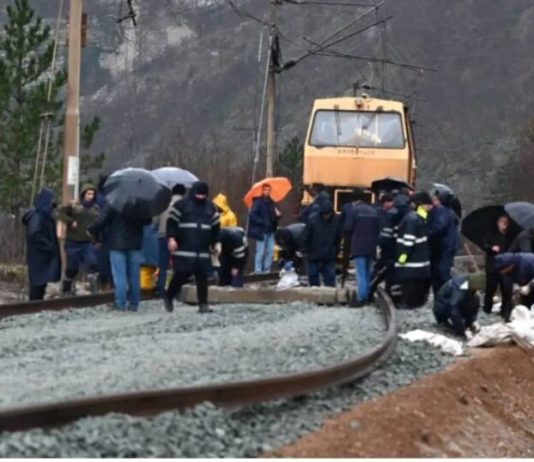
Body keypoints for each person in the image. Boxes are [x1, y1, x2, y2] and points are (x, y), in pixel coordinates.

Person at [165, 181, 220, 313]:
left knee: (202, 276)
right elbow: (171, 223)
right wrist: (171, 238)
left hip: (203, 249)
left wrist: (216, 243)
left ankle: (203, 304)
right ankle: (169, 295)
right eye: (199, 195)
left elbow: (216, 227)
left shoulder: (211, 207)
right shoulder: (180, 205)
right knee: (181, 275)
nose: (201, 197)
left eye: (203, 195)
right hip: (184, 247)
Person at [88, 204, 151, 311]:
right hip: (135, 244)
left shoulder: (114, 202)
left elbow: (102, 220)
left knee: (119, 276)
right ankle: (134, 303)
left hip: (117, 244)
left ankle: (120, 304)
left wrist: (91, 229)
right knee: (134, 276)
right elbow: (148, 221)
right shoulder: (140, 203)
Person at [57, 184, 101, 294]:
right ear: (83, 194)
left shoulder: (96, 208)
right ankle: (66, 288)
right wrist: (70, 221)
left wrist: (98, 237)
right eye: (88, 193)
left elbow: (100, 222)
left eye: (93, 194)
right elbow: (59, 212)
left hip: (88, 242)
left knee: (92, 263)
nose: (90, 196)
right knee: (72, 268)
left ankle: (93, 290)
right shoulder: (74, 206)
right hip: (73, 242)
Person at [394, 191, 433, 309]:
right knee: (416, 286)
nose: (430, 207)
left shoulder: (413, 218)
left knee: (411, 285)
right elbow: (411, 238)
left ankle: (410, 303)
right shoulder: (418, 218)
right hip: (419, 261)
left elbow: (409, 239)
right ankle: (415, 302)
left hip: (414, 261)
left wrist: (403, 256)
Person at [22, 188, 61, 300]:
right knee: (37, 285)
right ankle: (33, 306)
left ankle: (36, 305)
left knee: (41, 284)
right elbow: (34, 234)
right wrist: (49, 246)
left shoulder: (45, 215)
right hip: (38, 256)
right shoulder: (37, 216)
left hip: (42, 256)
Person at [344, 189, 380, 306]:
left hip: (358, 246)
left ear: (355, 201)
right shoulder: (373, 211)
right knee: (368, 272)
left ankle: (362, 297)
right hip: (371, 246)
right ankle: (369, 294)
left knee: (360, 273)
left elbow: (348, 228)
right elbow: (378, 228)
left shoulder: (353, 211)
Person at [373, 193, 410, 299]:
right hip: (401, 247)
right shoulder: (408, 213)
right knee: (395, 272)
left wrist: (379, 245)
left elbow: (386, 233)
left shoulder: (390, 214)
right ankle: (395, 295)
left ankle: (373, 289)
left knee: (384, 270)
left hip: (389, 248)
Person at [428, 188, 461, 296]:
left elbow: (439, 229)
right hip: (446, 246)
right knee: (441, 271)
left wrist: (427, 234)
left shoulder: (442, 212)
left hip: (445, 247)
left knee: (442, 272)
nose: (434, 201)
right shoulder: (448, 212)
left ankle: (445, 294)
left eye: (436, 199)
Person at [156, 184, 186, 297]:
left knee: (163, 266)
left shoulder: (163, 204)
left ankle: (161, 291)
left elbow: (155, 221)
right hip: (179, 238)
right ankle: (176, 292)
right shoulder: (185, 205)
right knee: (178, 265)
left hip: (163, 236)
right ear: (183, 193)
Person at [481, 214, 514, 315]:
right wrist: (491, 248)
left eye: (506, 222)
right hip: (493, 265)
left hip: (506, 266)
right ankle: (487, 308)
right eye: (502, 221)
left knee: (507, 290)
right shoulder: (491, 234)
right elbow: (484, 244)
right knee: (490, 289)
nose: (504, 224)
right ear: (498, 223)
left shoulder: (511, 236)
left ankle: (505, 309)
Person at [433, 273, 484, 338]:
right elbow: (453, 309)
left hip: (457, 304)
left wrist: (473, 320)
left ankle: (469, 323)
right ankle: (444, 323)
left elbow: (473, 301)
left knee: (476, 298)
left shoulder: (471, 283)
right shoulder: (459, 289)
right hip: (443, 308)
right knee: (453, 311)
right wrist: (462, 330)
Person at [304, 200, 341, 287]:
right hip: (319, 252)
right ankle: (320, 293)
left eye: (327, 214)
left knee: (327, 276)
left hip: (321, 252)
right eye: (325, 214)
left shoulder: (313, 219)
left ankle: (322, 294)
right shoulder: (335, 221)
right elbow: (306, 235)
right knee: (316, 275)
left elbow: (338, 237)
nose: (326, 216)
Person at [248, 184, 282, 273]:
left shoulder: (272, 202)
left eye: (269, 190)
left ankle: (267, 271)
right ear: (262, 191)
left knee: (271, 252)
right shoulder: (258, 202)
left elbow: (274, 216)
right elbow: (252, 215)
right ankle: (258, 271)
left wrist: (278, 215)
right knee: (260, 252)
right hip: (262, 231)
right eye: (265, 190)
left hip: (271, 231)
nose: (267, 191)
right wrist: (262, 222)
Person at [493, 252, 534, 320]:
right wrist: (516, 290)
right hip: (525, 285)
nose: (503, 272)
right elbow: (512, 287)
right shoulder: (509, 271)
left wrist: (530, 286)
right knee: (525, 308)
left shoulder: (528, 260)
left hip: (531, 281)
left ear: (510, 265)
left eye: (504, 270)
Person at [95, 176, 113, 290]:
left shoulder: (97, 199)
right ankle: (109, 288)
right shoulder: (109, 200)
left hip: (97, 236)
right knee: (108, 264)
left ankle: (102, 287)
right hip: (106, 236)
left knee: (101, 264)